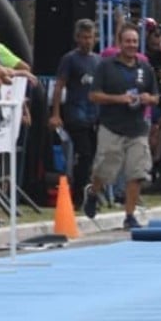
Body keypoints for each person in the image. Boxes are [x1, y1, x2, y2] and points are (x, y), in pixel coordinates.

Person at [82, 23, 159, 230]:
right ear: (119, 43)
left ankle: (129, 215)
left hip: (138, 128)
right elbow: (93, 95)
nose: (131, 45)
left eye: (134, 41)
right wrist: (119, 99)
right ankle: (93, 192)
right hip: (111, 126)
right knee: (104, 171)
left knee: (136, 172)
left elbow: (156, 96)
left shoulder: (145, 68)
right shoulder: (105, 66)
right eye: (127, 41)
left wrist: (147, 99)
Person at [50, 19, 102, 202]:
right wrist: (56, 113)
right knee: (84, 153)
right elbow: (59, 86)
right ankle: (79, 195)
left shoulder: (98, 60)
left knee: (95, 154)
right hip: (75, 113)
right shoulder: (70, 59)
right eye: (84, 37)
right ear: (77, 38)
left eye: (91, 37)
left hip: (94, 115)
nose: (88, 41)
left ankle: (89, 189)